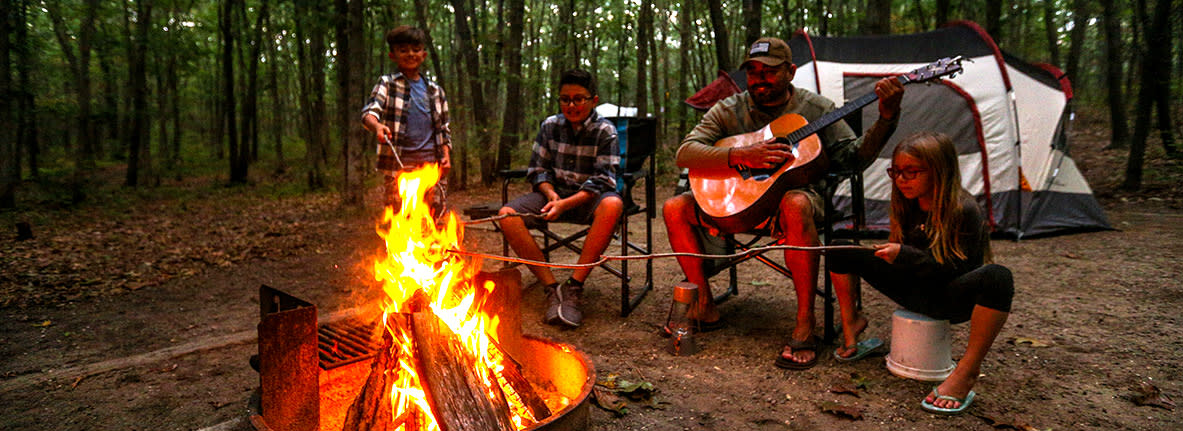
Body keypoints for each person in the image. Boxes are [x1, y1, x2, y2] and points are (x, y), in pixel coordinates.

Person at [663, 37, 905, 369]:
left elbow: (854, 159)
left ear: (790, 72)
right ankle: (703, 301)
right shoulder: (728, 109)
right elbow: (685, 154)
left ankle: (805, 319)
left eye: (770, 72)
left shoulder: (817, 109)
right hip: (739, 203)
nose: (759, 79)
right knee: (674, 207)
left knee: (795, 202)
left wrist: (887, 119)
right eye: (753, 72)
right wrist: (741, 155)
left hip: (798, 203)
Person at [826, 131, 1013, 415]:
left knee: (999, 277)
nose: (901, 179)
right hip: (914, 288)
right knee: (839, 247)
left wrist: (903, 255)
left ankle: (967, 371)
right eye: (896, 171)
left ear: (940, 170)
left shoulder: (963, 209)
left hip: (951, 297)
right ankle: (852, 325)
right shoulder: (908, 203)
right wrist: (894, 255)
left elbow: (953, 270)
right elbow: (910, 260)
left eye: (911, 172)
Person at [498, 69, 623, 328]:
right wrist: (551, 193)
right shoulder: (550, 126)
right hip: (552, 197)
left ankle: (574, 286)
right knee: (507, 215)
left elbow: (603, 179)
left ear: (594, 100)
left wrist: (566, 203)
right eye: (565, 99)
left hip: (589, 199)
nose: (571, 105)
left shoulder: (605, 131)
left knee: (613, 204)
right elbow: (538, 169)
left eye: (579, 99)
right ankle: (550, 287)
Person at [361, 25, 452, 216]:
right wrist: (377, 126)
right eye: (403, 50)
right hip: (399, 166)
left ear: (424, 54)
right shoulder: (388, 84)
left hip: (430, 166)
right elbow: (369, 113)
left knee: (434, 219)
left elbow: (444, 129)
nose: (410, 54)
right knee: (400, 220)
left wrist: (446, 155)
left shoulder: (435, 91)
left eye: (416, 49)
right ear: (392, 55)